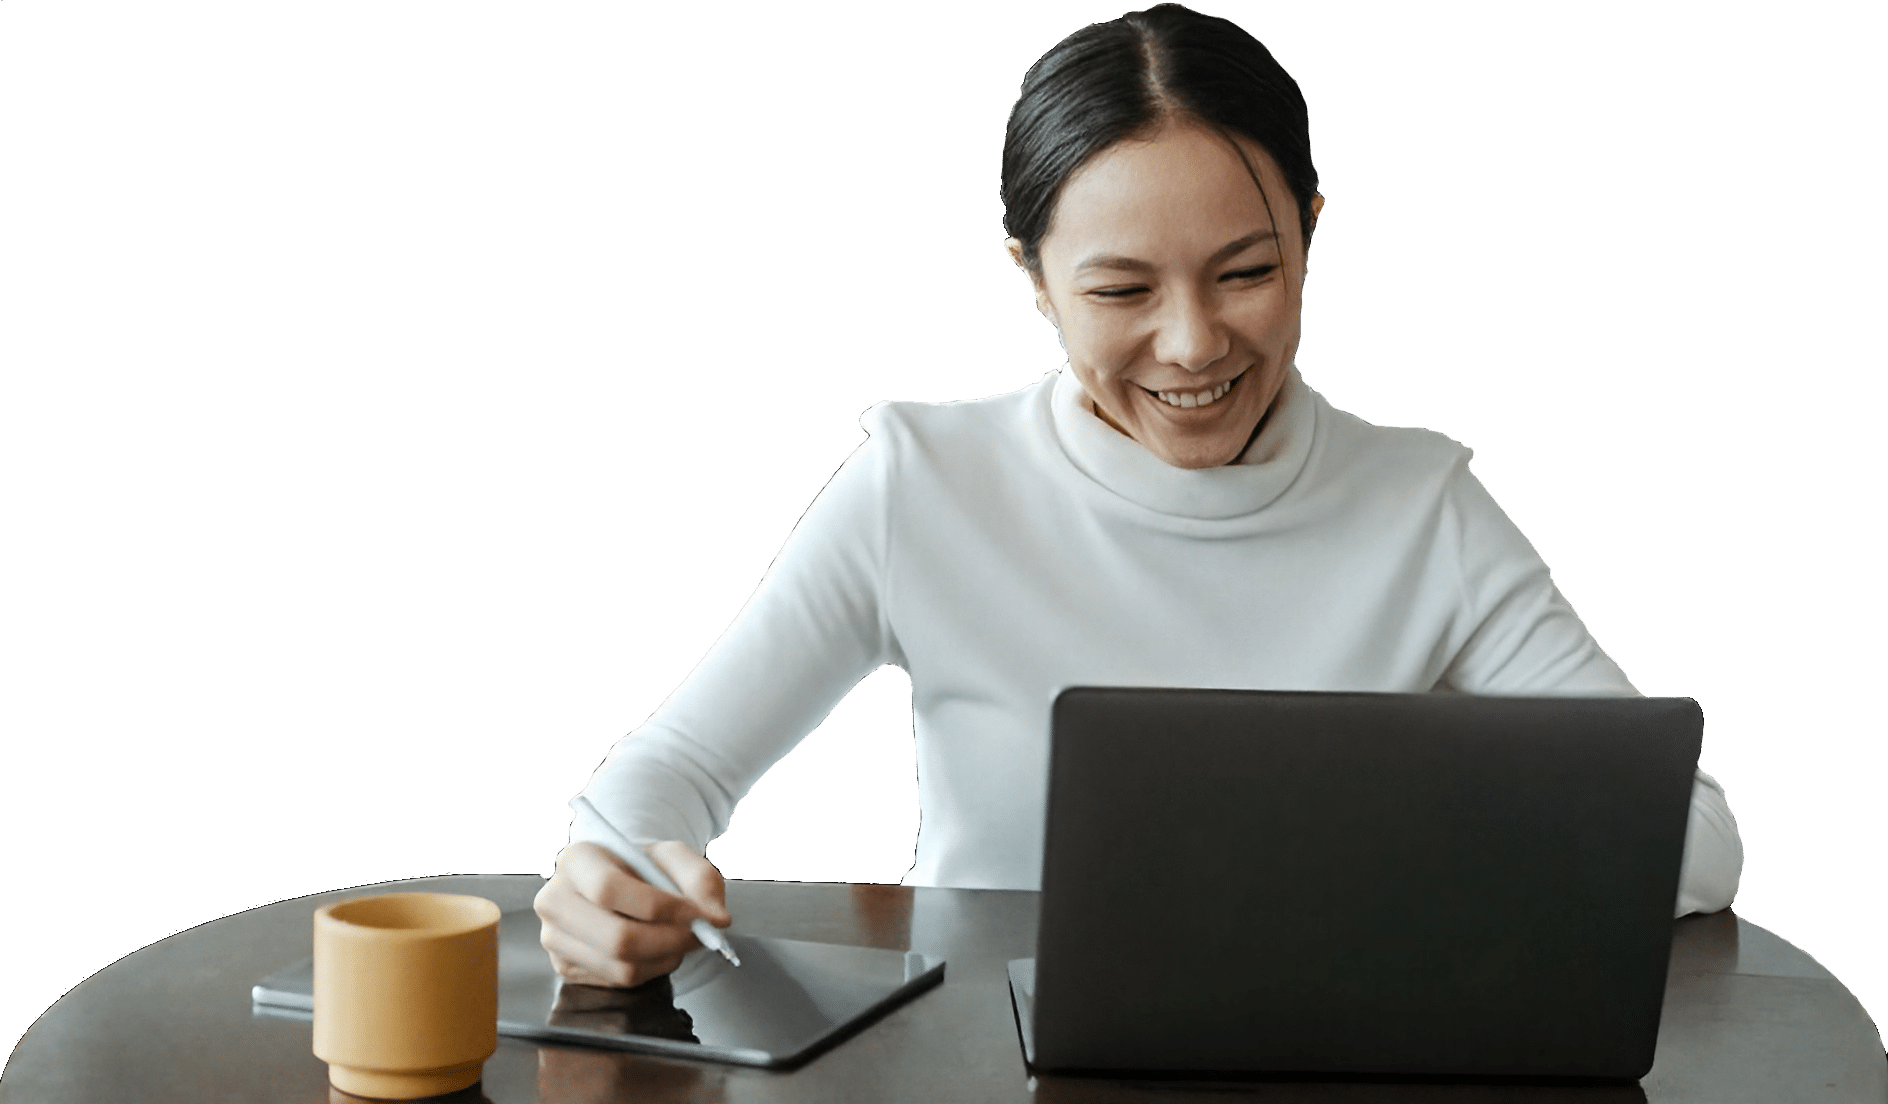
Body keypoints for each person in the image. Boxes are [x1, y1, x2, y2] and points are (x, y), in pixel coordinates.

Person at [533, 4, 1743, 987]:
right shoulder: (922, 482)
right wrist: (611, 877)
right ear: (1036, 280)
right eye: (1119, 291)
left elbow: (1692, 836)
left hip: (1322, 1052)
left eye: (1248, 271)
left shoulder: (1422, 505)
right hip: (968, 1055)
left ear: (1309, 237)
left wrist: (1394, 844)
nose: (1191, 345)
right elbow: (671, 769)